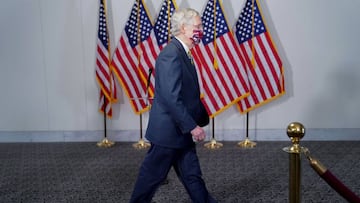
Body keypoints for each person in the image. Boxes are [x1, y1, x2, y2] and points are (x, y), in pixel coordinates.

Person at [130, 8, 217, 203]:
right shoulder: (171, 54)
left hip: (180, 131)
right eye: (198, 26)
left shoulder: (183, 52)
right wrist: (192, 126)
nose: (201, 30)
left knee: (192, 175)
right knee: (151, 178)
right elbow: (171, 98)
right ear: (184, 28)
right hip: (168, 133)